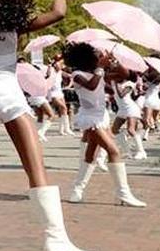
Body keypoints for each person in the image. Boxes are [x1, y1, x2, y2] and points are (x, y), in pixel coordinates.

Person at [0, 0, 96, 251]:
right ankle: (55, 238)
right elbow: (58, 13)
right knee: (36, 169)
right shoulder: (13, 25)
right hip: (9, 95)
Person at [63, 42, 148, 208]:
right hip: (90, 119)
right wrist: (101, 69)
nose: (99, 56)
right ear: (86, 58)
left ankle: (77, 190)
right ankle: (123, 193)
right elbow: (92, 85)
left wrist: (114, 63)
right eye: (96, 54)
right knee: (114, 151)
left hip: (102, 118)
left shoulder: (98, 73)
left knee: (91, 155)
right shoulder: (77, 74)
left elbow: (123, 78)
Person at [111, 72, 146, 160]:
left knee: (130, 130)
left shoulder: (129, 84)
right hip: (122, 109)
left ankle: (141, 152)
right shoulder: (115, 83)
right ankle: (126, 151)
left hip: (131, 108)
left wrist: (115, 85)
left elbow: (121, 95)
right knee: (114, 129)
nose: (115, 77)